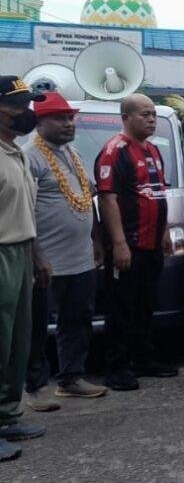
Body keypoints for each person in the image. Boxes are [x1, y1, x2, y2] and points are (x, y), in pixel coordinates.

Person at [23, 92, 108, 411]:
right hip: (46, 262)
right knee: (34, 326)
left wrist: (96, 239)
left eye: (70, 117)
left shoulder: (72, 153)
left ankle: (71, 379)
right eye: (59, 118)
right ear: (39, 122)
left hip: (81, 258)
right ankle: (33, 389)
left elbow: (88, 198)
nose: (68, 123)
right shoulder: (30, 156)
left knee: (78, 318)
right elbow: (23, 210)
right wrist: (37, 256)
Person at [95, 93, 176, 392]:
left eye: (153, 114)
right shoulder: (114, 151)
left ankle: (143, 359)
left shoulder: (153, 150)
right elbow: (107, 198)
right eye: (144, 114)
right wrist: (118, 243)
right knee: (121, 308)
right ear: (126, 118)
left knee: (145, 305)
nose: (151, 119)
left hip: (152, 244)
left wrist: (164, 232)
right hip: (128, 244)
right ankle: (116, 368)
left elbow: (157, 193)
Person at [0, 76, 47, 461]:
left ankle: (7, 416)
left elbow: (24, 213)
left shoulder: (15, 153)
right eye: (17, 106)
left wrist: (35, 257)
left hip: (20, 253)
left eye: (27, 104)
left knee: (17, 343)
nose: (25, 113)